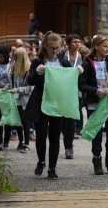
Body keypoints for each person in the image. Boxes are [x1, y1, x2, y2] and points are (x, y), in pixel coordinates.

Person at [26, 32, 80, 179]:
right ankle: (41, 161)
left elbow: (70, 82)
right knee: (41, 135)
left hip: (57, 104)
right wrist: (37, 73)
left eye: (57, 48)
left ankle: (52, 168)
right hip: (41, 103)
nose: (54, 51)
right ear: (45, 47)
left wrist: (77, 73)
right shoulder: (38, 62)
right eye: (51, 48)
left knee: (55, 136)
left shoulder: (63, 63)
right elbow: (30, 80)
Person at [79, 35, 108, 175]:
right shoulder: (87, 63)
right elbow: (81, 84)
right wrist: (96, 91)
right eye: (104, 46)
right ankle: (97, 159)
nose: (107, 49)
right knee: (96, 132)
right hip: (94, 102)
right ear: (96, 47)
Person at [60, 34, 84, 158]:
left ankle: (69, 147)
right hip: (62, 91)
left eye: (79, 41)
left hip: (76, 91)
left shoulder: (83, 58)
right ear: (69, 44)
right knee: (62, 119)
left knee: (71, 119)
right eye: (74, 42)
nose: (77, 44)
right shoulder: (62, 56)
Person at [7, 46, 33, 153]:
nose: (14, 58)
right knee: (17, 122)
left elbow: (31, 88)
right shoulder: (12, 68)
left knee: (25, 122)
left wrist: (17, 90)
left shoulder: (29, 69)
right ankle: (21, 141)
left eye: (16, 56)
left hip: (25, 100)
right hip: (14, 99)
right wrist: (5, 88)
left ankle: (26, 143)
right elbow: (10, 84)